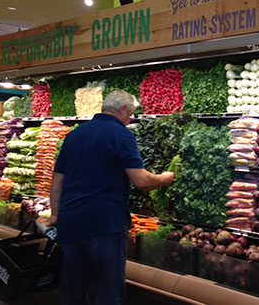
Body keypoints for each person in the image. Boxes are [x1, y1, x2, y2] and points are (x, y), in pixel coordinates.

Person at [49, 90, 173, 305]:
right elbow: (142, 181)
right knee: (109, 289)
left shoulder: (75, 135)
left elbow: (57, 180)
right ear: (123, 109)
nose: (130, 119)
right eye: (130, 114)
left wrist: (55, 214)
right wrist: (165, 178)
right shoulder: (122, 135)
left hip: (71, 221)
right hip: (104, 223)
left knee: (73, 287)